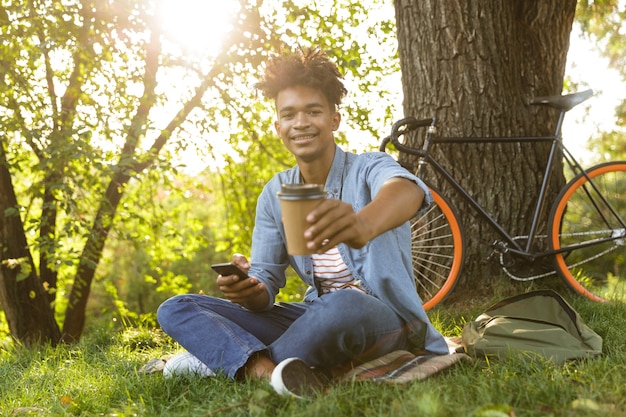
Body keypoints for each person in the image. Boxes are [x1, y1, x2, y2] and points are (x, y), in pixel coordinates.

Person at [157, 47, 448, 398]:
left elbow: (407, 192)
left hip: (381, 317)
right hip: (313, 315)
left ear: (334, 119)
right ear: (278, 126)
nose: (301, 123)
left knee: (342, 305)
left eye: (313, 111)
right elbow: (265, 287)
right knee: (177, 307)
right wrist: (249, 290)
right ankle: (264, 371)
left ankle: (219, 362)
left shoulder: (368, 167)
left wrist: (362, 225)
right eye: (289, 114)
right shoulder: (276, 192)